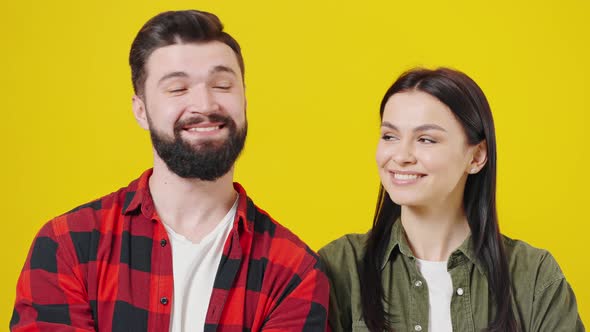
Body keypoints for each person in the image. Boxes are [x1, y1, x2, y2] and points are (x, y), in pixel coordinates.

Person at [11, 10, 329, 332]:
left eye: (222, 85)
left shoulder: (294, 271)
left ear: (244, 98)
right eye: (178, 89)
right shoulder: (68, 245)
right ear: (141, 110)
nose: (205, 105)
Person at [319, 68, 584, 332]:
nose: (401, 155)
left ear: (477, 156)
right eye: (390, 136)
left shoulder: (534, 276)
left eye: (426, 139)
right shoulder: (340, 266)